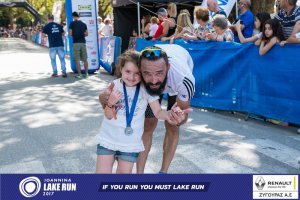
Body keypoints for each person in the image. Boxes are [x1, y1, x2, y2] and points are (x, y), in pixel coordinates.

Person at [99, 44, 195, 173]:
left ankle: (163, 172)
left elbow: (181, 115)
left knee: (173, 126)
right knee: (148, 124)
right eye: (147, 73)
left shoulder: (184, 80)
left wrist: (177, 117)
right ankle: (140, 174)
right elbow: (115, 91)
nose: (154, 80)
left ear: (168, 68)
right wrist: (103, 98)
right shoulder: (136, 70)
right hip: (149, 87)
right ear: (142, 69)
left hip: (175, 85)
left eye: (159, 73)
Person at [69, 11, 89, 79]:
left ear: (73, 17)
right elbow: (87, 34)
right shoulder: (84, 24)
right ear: (79, 16)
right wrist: (82, 35)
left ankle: (80, 74)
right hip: (83, 42)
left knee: (77, 59)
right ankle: (86, 74)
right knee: (85, 59)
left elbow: (71, 34)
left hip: (76, 43)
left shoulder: (72, 23)